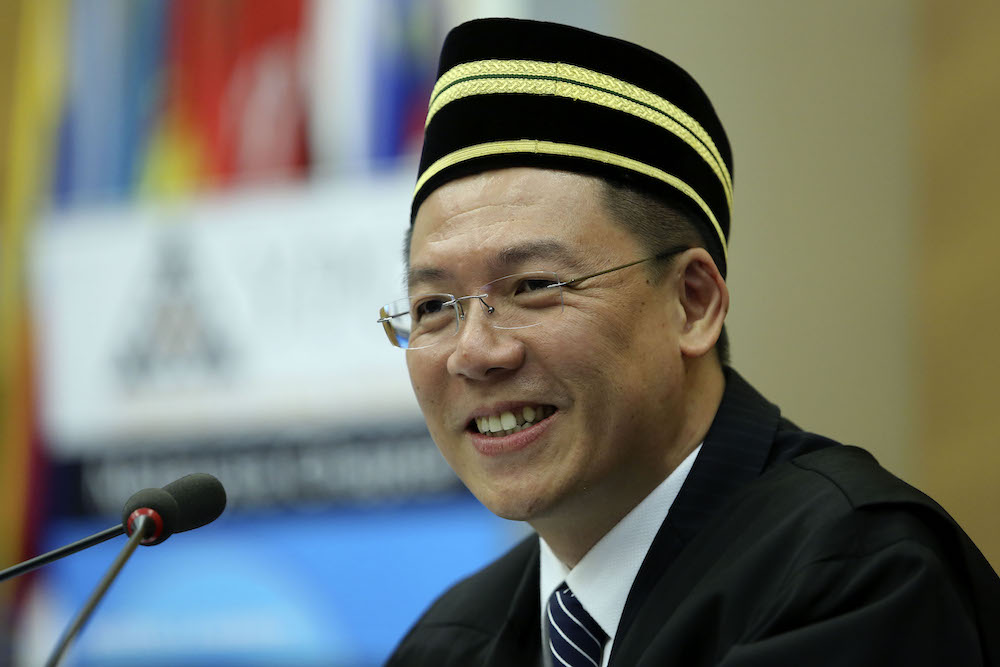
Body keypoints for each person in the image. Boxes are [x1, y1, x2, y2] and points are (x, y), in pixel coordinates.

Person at [380, 18, 1000, 667]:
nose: (474, 352)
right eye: (432, 307)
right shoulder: (448, 643)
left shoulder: (857, 576)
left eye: (534, 285)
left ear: (693, 302)